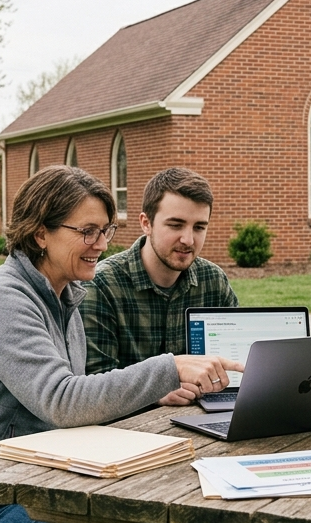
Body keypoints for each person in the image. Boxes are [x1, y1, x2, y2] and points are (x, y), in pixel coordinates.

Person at [0, 165, 242, 523]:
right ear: (40, 233)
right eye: (87, 232)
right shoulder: (2, 298)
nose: (101, 245)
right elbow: (62, 400)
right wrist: (171, 368)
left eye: (105, 231)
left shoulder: (66, 297)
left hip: (42, 486)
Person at [82, 167, 238, 407]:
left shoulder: (213, 281)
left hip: (203, 418)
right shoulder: (102, 286)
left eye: (199, 227)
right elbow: (93, 384)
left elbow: (234, 364)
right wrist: (154, 393)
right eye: (176, 225)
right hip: (128, 433)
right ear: (146, 223)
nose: (188, 239)